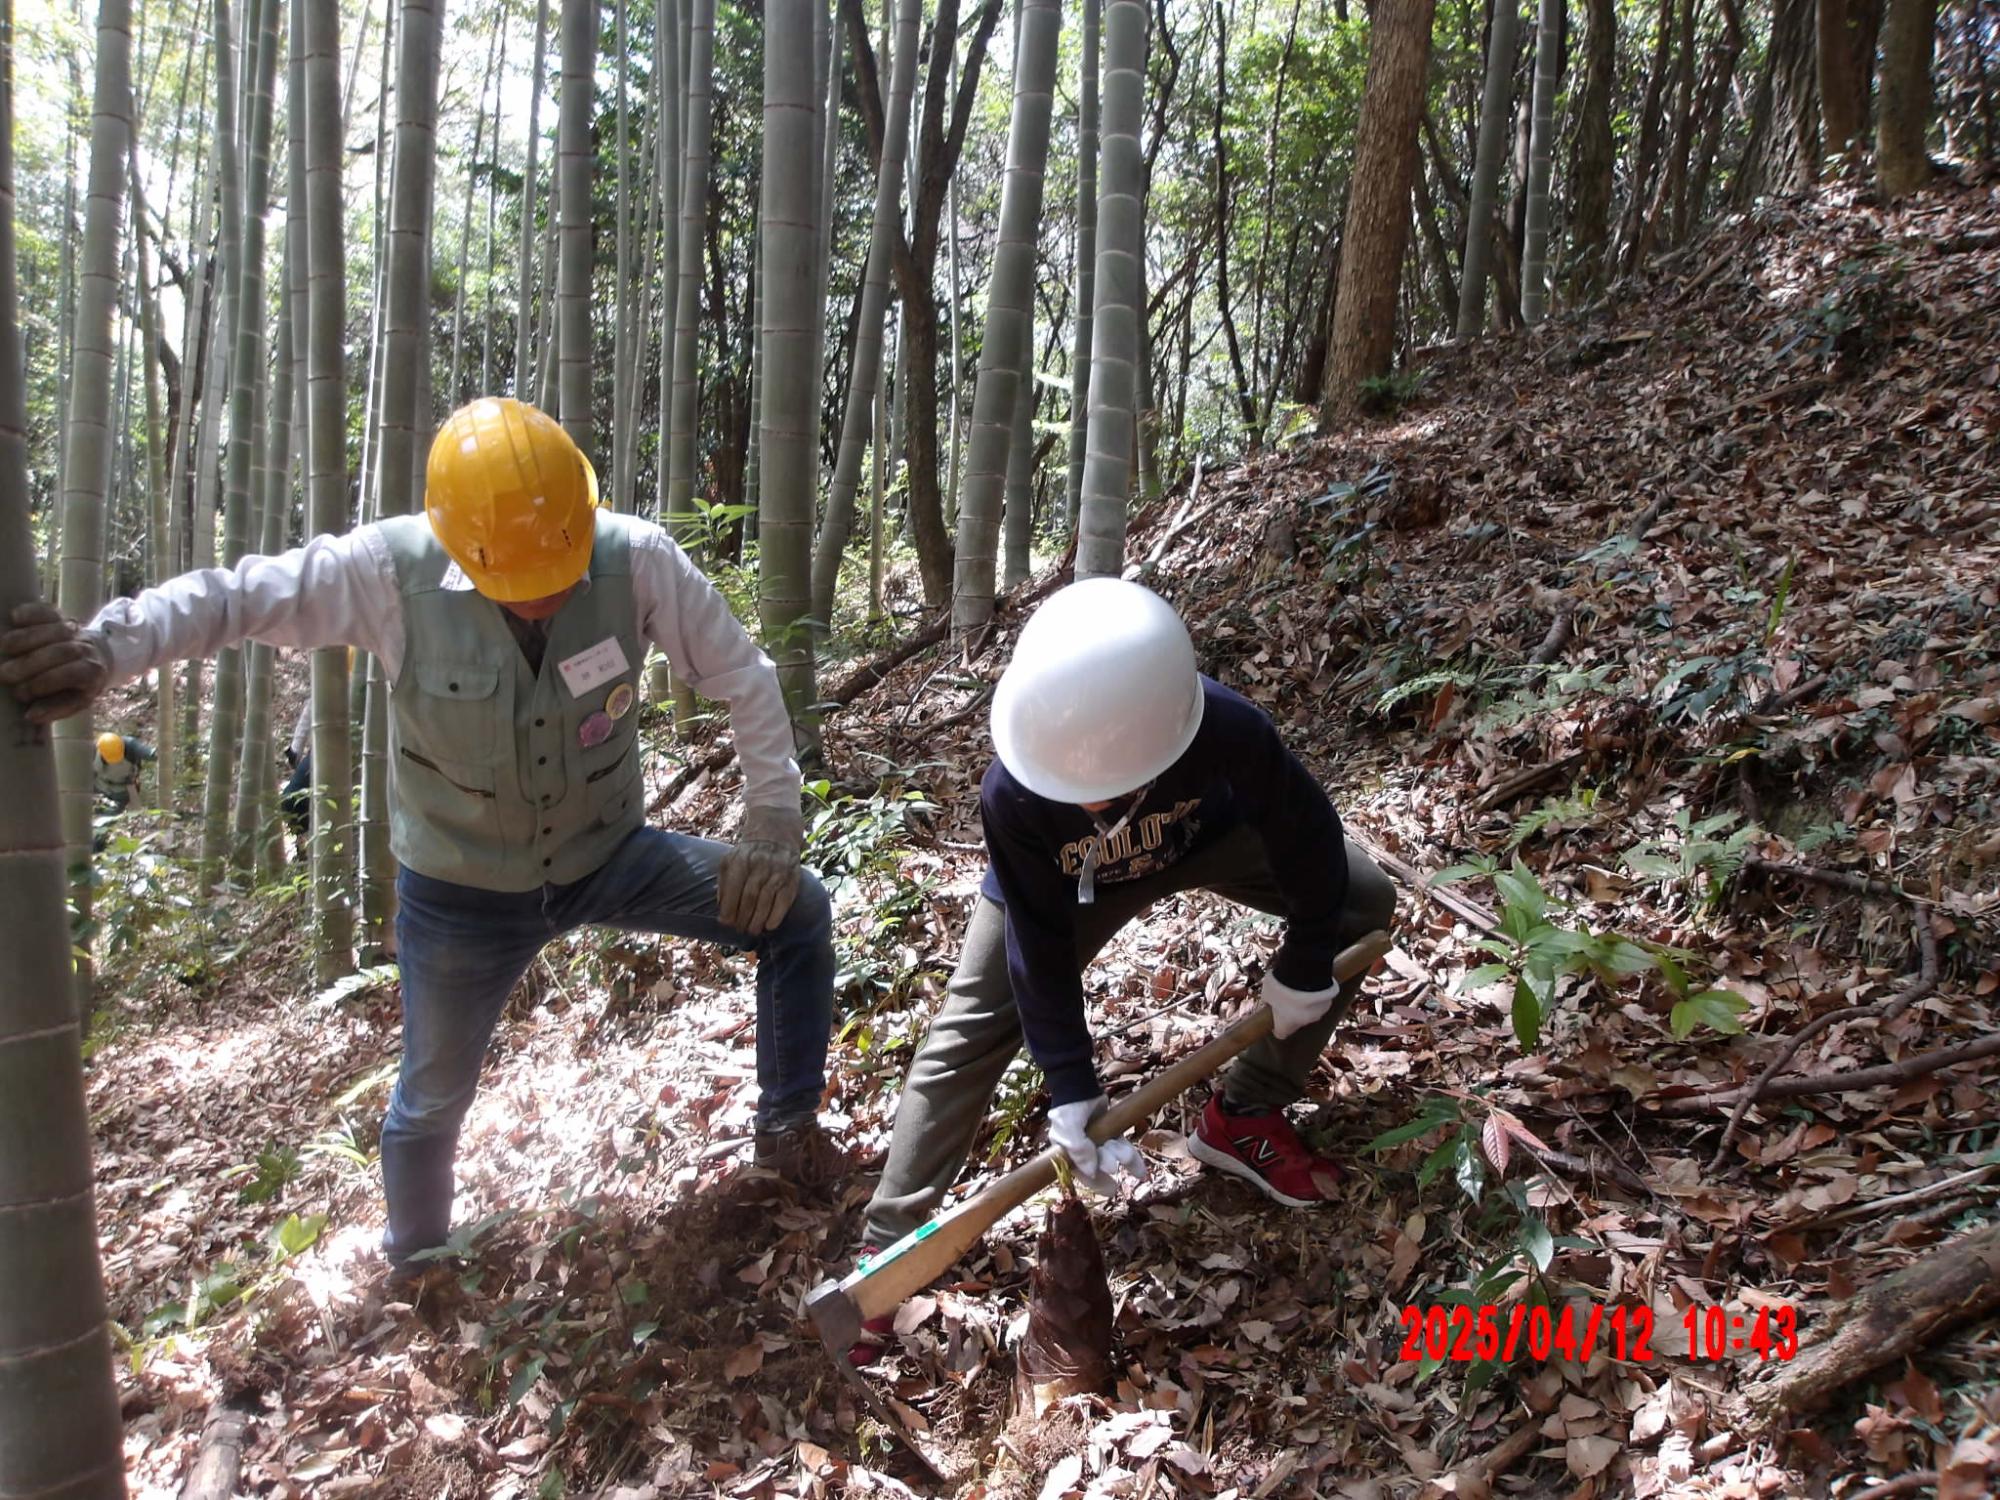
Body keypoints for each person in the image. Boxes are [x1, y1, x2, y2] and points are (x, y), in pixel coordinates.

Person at [2, 397, 839, 1282]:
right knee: (431, 1097)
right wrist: (106, 649)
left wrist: (773, 820)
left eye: (559, 563)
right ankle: (418, 1264)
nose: (547, 592)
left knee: (799, 909)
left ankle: (787, 1133)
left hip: (608, 854)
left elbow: (745, 677)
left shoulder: (635, 560)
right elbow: (237, 598)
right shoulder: (385, 571)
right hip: (461, 891)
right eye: (517, 578)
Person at [848, 578, 1397, 1363]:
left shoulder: (1229, 731)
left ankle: (1245, 1116)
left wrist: (1309, 958)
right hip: (1069, 886)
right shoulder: (1013, 790)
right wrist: (1071, 1084)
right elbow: (1036, 942)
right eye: (1073, 787)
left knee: (1362, 900)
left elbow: (1308, 836)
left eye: (1106, 789)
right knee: (968, 1029)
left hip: (1207, 838)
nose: (1091, 804)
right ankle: (886, 1259)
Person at [93, 730, 156, 813]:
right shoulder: (93, 750)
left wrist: (156, 754)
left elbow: (149, 753)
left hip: (122, 791)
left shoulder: (130, 746)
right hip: (98, 787)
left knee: (115, 815)